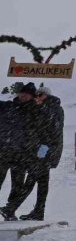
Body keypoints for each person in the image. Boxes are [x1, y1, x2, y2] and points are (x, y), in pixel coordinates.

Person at [3, 84, 64, 221]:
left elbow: (53, 130)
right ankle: (38, 211)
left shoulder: (52, 108)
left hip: (46, 151)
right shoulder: (48, 107)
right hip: (46, 150)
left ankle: (11, 208)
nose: (37, 98)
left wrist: (45, 148)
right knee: (42, 182)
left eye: (39, 95)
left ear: (45, 95)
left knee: (31, 180)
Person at [0, 83, 31, 221]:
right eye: (22, 93)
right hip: (3, 152)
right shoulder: (7, 107)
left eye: (27, 94)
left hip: (21, 155)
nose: (23, 96)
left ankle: (10, 211)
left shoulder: (33, 111)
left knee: (17, 186)